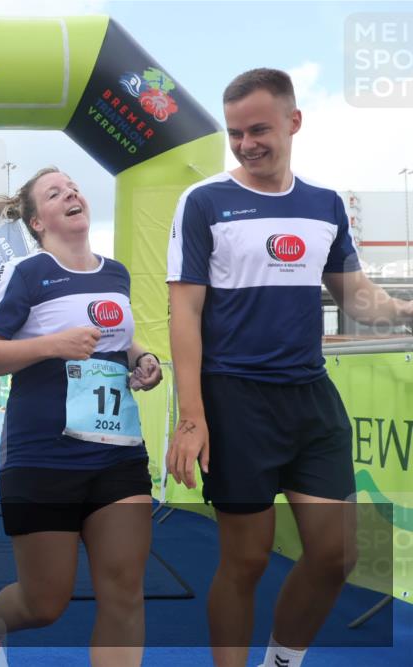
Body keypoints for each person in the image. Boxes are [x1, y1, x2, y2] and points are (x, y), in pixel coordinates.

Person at [166, 68, 413, 667]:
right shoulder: (204, 202)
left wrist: (406, 308)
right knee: (245, 561)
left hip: (310, 399)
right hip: (236, 402)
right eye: (234, 133)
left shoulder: (324, 204)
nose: (246, 143)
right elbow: (184, 313)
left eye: (258, 129)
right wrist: (192, 417)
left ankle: (282, 659)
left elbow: (356, 297)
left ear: (293, 122)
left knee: (336, 555)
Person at [0, 168, 163, 667]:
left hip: (117, 454)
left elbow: (112, 335)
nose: (71, 192)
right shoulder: (27, 273)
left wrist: (140, 358)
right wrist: (54, 346)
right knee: (45, 603)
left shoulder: (116, 272)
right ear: (36, 221)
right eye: (55, 193)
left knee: (124, 590)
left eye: (73, 186)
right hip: (42, 456)